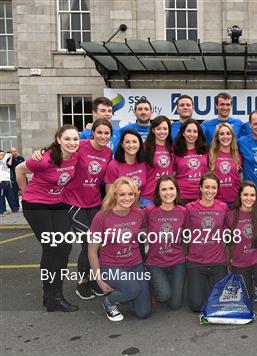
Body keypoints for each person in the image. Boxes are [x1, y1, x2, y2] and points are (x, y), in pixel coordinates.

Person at [16, 124, 80, 312]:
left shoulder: (76, 155)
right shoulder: (44, 159)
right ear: (58, 140)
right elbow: (20, 170)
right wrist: (25, 192)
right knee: (51, 246)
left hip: (57, 203)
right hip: (36, 205)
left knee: (65, 245)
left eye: (75, 139)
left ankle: (56, 294)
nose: (71, 142)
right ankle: (50, 296)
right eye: (67, 139)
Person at [88, 177, 151, 321]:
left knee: (144, 312)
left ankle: (127, 293)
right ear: (114, 195)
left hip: (135, 264)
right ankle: (109, 302)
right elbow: (92, 250)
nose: (127, 198)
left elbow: (147, 233)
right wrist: (99, 280)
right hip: (111, 266)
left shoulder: (139, 213)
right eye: (122, 194)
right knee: (133, 288)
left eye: (131, 194)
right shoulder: (102, 216)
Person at [63, 119, 113, 300]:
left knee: (98, 243)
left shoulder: (108, 152)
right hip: (74, 202)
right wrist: (41, 153)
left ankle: (93, 279)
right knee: (87, 242)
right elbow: (58, 152)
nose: (103, 136)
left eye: (106, 133)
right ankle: (81, 282)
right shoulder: (80, 145)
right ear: (93, 132)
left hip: (94, 203)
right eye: (99, 132)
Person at [184, 172, 229, 312]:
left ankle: (210, 286)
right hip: (196, 263)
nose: (210, 191)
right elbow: (184, 234)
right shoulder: (190, 208)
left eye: (214, 188)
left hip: (218, 263)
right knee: (197, 306)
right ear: (201, 188)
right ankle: (199, 285)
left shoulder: (223, 207)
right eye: (207, 187)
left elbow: (227, 234)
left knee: (219, 303)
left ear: (218, 189)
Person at [144, 175, 187, 310]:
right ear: (158, 192)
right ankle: (149, 284)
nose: (168, 193)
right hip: (155, 262)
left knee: (175, 305)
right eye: (164, 189)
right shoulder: (149, 212)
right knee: (164, 295)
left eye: (171, 188)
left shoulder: (183, 211)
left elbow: (187, 236)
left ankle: (166, 282)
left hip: (177, 262)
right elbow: (137, 230)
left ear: (176, 191)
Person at [226, 181, 257, 301]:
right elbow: (226, 241)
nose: (249, 198)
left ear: (256, 197)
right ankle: (249, 278)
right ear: (240, 196)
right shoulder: (230, 215)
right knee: (244, 296)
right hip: (239, 260)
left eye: (252, 195)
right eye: (245, 195)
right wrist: (228, 261)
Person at [139, 116, 174, 207]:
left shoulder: (171, 148)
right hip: (148, 197)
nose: (162, 132)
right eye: (159, 129)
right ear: (153, 130)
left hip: (167, 196)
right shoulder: (145, 147)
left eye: (165, 129)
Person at [173, 119, 209, 205]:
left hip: (202, 196)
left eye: (195, 131)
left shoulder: (205, 150)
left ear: (198, 134)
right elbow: (172, 175)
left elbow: (209, 172)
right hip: (181, 197)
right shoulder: (175, 151)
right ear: (183, 133)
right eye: (188, 131)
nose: (192, 134)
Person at [208, 123, 243, 206]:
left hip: (235, 201)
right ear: (217, 137)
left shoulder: (237, 156)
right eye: (221, 134)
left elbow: (240, 178)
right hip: (216, 201)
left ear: (232, 136)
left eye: (228, 133)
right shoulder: (210, 155)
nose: (225, 137)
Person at [0, 150, 19, 214]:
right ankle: (2, 210)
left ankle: (14, 208)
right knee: (2, 196)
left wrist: (10, 157)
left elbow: (9, 164)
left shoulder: (4, 162)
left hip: (7, 180)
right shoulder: (2, 161)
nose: (2, 156)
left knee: (10, 195)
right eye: (1, 154)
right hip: (1, 181)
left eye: (3, 154)